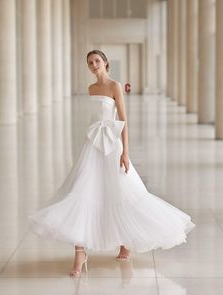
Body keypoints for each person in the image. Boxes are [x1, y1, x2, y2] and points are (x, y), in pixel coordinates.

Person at [28, 49, 195, 278]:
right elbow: (94, 119)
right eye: (90, 63)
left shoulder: (115, 86)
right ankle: (80, 253)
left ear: (105, 63)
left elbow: (123, 120)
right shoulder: (90, 89)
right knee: (82, 192)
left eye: (97, 61)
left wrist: (125, 152)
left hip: (113, 146)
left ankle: (126, 242)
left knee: (122, 191)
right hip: (92, 146)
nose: (93, 65)